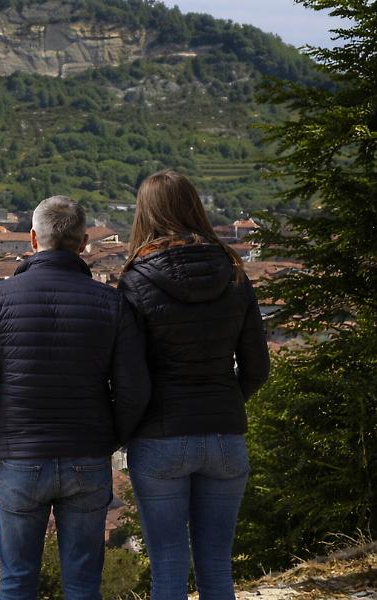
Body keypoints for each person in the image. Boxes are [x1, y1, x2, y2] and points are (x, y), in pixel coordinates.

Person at [0, 196, 150, 600]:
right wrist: (110, 439)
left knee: (16, 581)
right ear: (83, 243)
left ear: (33, 239)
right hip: (86, 456)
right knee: (82, 585)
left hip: (19, 457)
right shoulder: (111, 303)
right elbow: (133, 388)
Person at [119, 170, 270, 600]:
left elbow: (130, 376)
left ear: (144, 214)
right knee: (217, 566)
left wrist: (128, 428)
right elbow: (257, 367)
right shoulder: (235, 273)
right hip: (225, 434)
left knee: (167, 565)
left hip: (160, 437)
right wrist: (224, 402)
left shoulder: (134, 280)